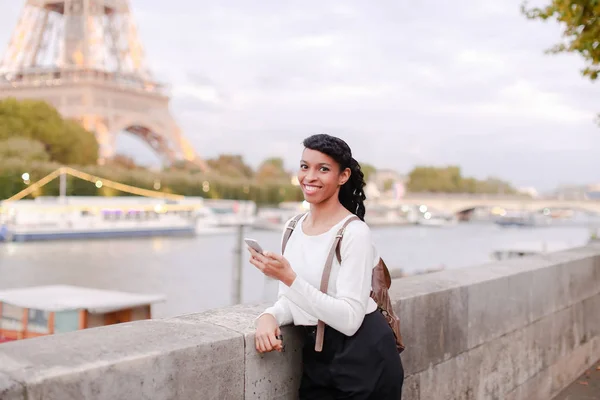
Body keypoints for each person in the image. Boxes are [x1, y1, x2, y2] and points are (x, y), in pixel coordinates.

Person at [248, 134, 404, 399]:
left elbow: (350, 320)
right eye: (304, 166)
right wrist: (269, 316)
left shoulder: (354, 232)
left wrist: (288, 278)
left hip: (365, 357)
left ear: (343, 176)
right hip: (317, 358)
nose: (309, 176)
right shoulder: (293, 227)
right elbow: (292, 301)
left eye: (323, 169)